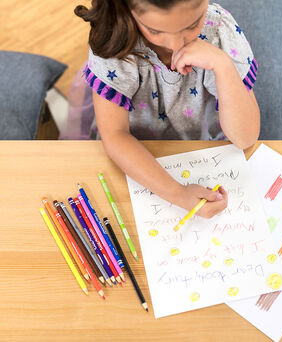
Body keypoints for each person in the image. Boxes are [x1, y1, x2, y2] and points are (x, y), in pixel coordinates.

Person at [74, 0, 260, 218]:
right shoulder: (115, 37)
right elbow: (114, 135)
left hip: (205, 150)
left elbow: (246, 138)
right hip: (134, 157)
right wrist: (178, 194)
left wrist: (222, 65)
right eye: (155, 30)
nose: (175, 44)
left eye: (192, 25)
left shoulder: (218, 30)